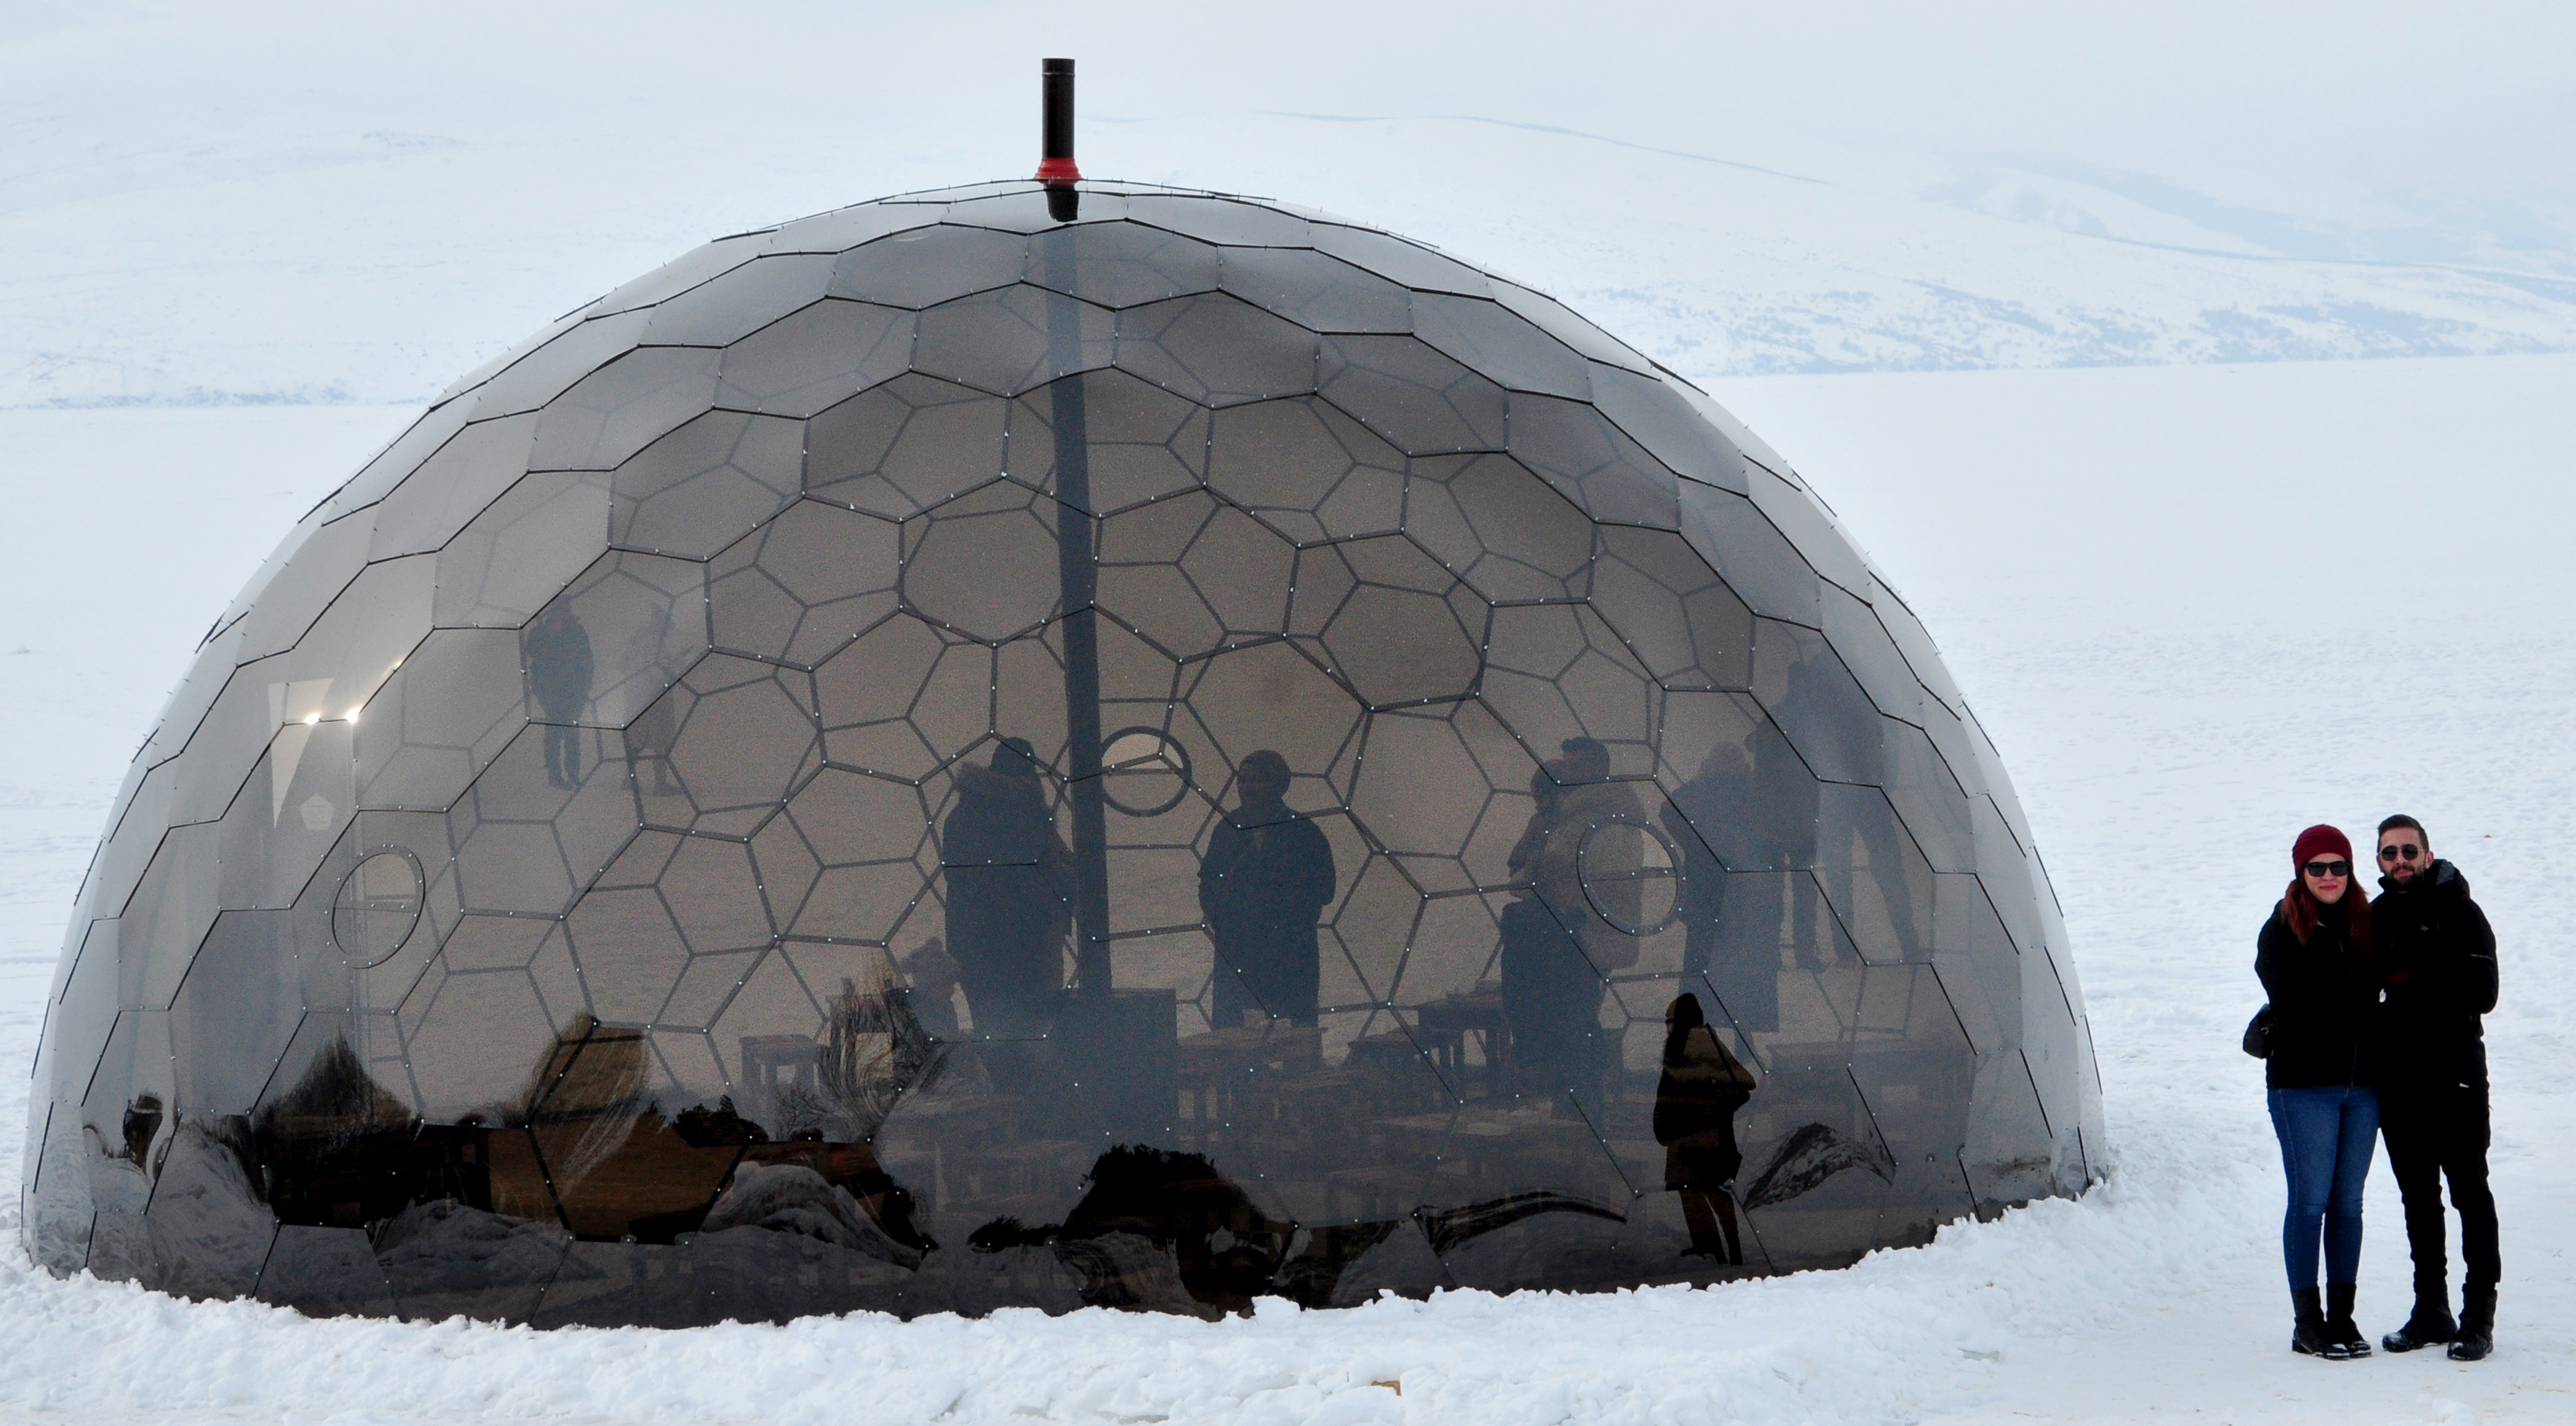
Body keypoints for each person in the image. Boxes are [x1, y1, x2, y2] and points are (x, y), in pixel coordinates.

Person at [2369, 815, 2501, 1360]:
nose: (2399, 860)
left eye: (2407, 850)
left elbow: (2483, 990)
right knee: (2418, 1198)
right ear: (2378, 861)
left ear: (2426, 854)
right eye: (2388, 853)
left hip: (2455, 1074)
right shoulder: (2372, 917)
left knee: (2468, 1191)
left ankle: (2478, 1318)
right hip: (2399, 1082)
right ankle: (2431, 1309)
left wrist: (2407, 979)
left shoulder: (2462, 912)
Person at [2255, 824, 2382, 1360]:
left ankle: (2342, 1318)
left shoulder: (2366, 922)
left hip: (2363, 1086)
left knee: (2347, 1204)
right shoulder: (2282, 929)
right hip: (2304, 1087)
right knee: (2309, 1202)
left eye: (2337, 866)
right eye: (2316, 867)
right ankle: (2307, 1321)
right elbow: (2298, 1003)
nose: (2328, 876)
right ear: (2299, 872)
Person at [941, 739, 1073, 1041]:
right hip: (1027, 944)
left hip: (972, 944)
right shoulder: (1028, 814)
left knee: (994, 1031)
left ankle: (1002, 1084)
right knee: (1030, 1037)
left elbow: (958, 877)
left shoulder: (961, 816)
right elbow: (1047, 876)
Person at [1199, 750, 1336, 1027]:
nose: (1247, 788)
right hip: (1239, 947)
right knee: (1231, 1035)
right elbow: (1209, 885)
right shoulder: (1225, 831)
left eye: (1257, 780)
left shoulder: (1304, 832)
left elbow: (1324, 889)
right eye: (1243, 780)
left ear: (1278, 784)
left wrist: (1291, 917)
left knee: (1298, 1035)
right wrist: (1225, 921)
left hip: (1290, 948)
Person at [1653, 993, 1756, 1263]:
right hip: (1682, 1140)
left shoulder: (1702, 1042)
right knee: (1692, 1194)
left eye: (1670, 1020)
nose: (1666, 1027)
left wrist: (1707, 1111)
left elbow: (1742, 1084)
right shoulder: (1677, 1047)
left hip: (1703, 1140)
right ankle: (1711, 1249)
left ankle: (1729, 1253)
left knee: (1712, 1192)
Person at [524, 606, 593, 788]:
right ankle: (554, 775)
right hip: (550, 691)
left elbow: (586, 660)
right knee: (554, 732)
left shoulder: (577, 632)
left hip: (573, 690)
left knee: (571, 732)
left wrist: (585, 686)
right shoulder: (539, 632)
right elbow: (533, 654)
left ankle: (573, 774)